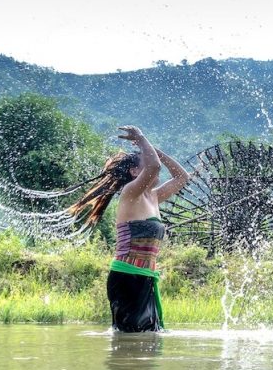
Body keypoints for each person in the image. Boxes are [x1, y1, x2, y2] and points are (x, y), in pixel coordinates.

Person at [67, 126, 190, 332]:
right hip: (127, 277)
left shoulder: (154, 197)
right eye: (148, 161)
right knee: (129, 338)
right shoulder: (130, 192)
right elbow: (154, 167)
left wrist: (157, 152)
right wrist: (142, 139)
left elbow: (182, 178)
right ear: (134, 171)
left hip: (146, 278)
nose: (154, 163)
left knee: (150, 339)